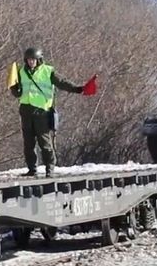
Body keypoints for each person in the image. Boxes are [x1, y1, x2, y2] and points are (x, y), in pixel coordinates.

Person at [7, 47, 97, 177]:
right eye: (29, 60)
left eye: (33, 59)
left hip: (41, 111)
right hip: (26, 110)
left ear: (39, 59)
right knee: (28, 143)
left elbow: (62, 83)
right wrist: (14, 88)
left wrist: (78, 89)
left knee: (45, 142)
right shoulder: (21, 72)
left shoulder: (48, 71)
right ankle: (32, 169)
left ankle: (50, 168)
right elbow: (17, 91)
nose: (31, 62)